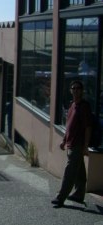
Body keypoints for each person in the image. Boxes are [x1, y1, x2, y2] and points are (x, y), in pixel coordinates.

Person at [51, 80, 92, 208]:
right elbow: (69, 126)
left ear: (82, 90)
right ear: (70, 90)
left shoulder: (84, 106)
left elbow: (88, 127)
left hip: (78, 145)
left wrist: (85, 146)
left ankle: (60, 198)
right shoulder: (72, 105)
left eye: (78, 88)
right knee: (79, 171)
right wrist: (64, 140)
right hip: (70, 143)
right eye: (73, 88)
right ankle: (79, 194)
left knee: (69, 172)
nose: (75, 90)